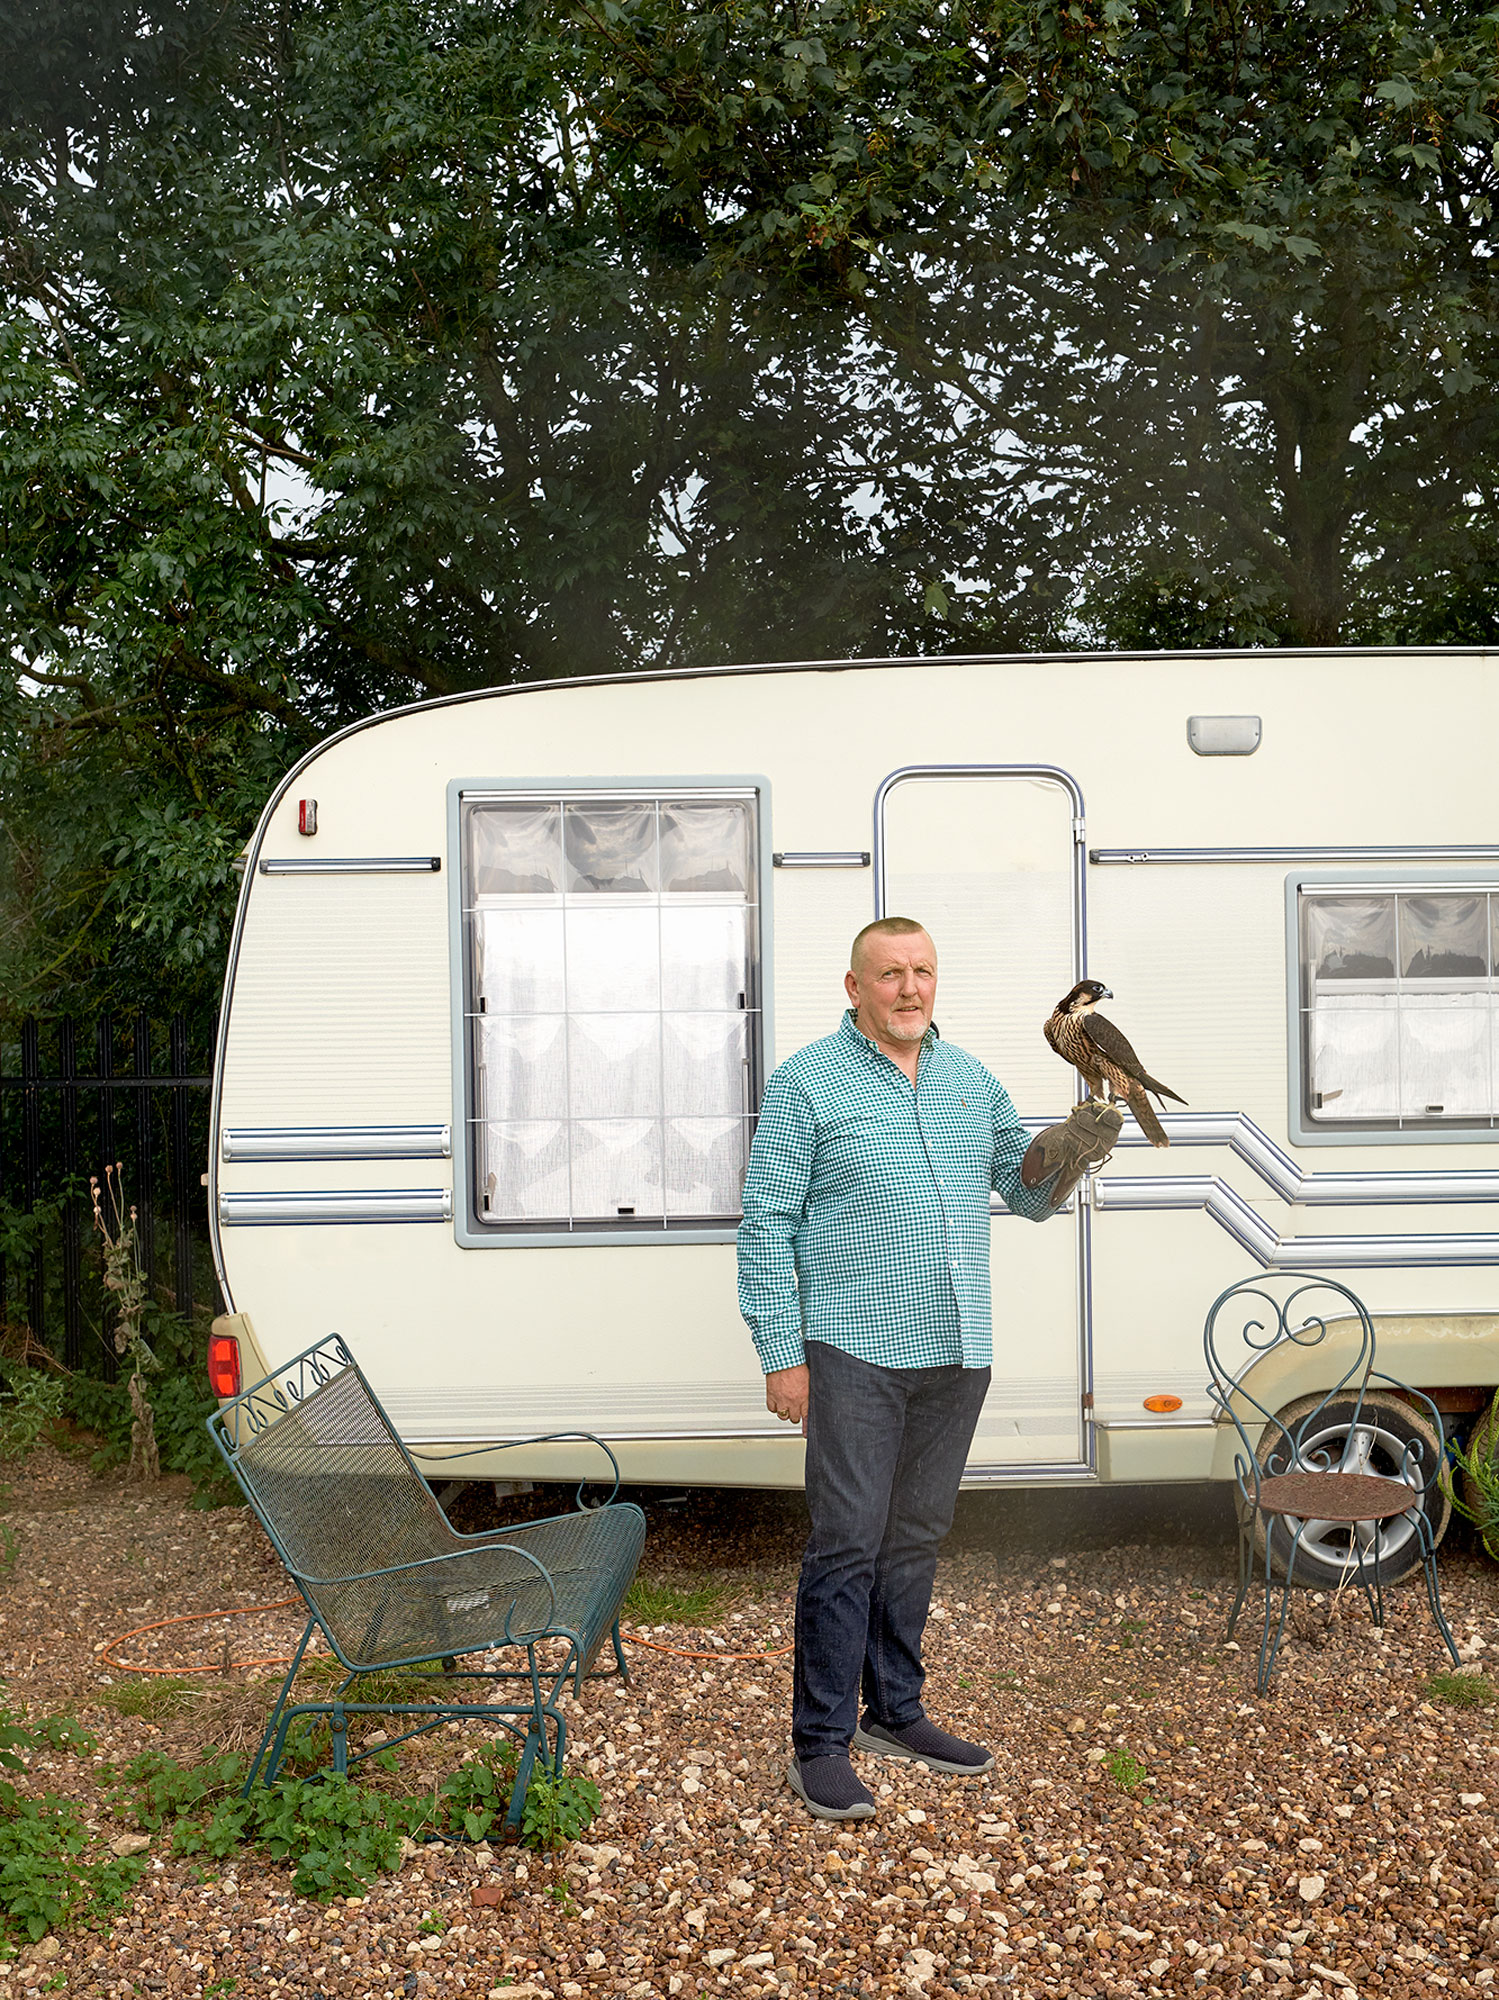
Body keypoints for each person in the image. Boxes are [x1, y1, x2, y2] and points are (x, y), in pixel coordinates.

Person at [736, 916, 1060, 1821]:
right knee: (846, 1542)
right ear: (854, 987)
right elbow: (765, 1224)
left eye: (922, 970)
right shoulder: (807, 1081)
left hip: (955, 1348)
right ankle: (818, 1744)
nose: (909, 988)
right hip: (853, 1348)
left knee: (914, 1535)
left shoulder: (969, 1080)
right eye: (889, 974)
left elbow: (1029, 1195)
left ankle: (896, 1713)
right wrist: (781, 1354)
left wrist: (1073, 1148)